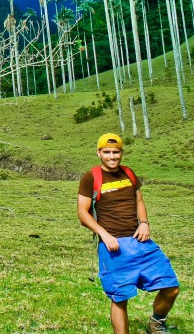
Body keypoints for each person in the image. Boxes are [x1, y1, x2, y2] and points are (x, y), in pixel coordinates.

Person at [77, 133, 180, 334]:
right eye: (107, 152)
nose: (112, 156)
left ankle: (157, 322)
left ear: (121, 152)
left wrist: (144, 223)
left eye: (116, 152)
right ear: (99, 153)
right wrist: (104, 235)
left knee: (171, 287)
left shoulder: (129, 174)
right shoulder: (91, 178)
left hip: (140, 241)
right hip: (113, 245)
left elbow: (138, 201)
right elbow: (82, 213)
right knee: (120, 297)